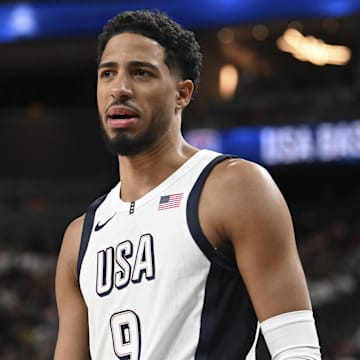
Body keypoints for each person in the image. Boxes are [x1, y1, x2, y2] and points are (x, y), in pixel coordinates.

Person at [54, 9, 321, 360]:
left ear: (182, 93)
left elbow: (297, 349)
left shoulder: (234, 187)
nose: (119, 88)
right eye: (108, 74)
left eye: (141, 72)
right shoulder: (79, 238)